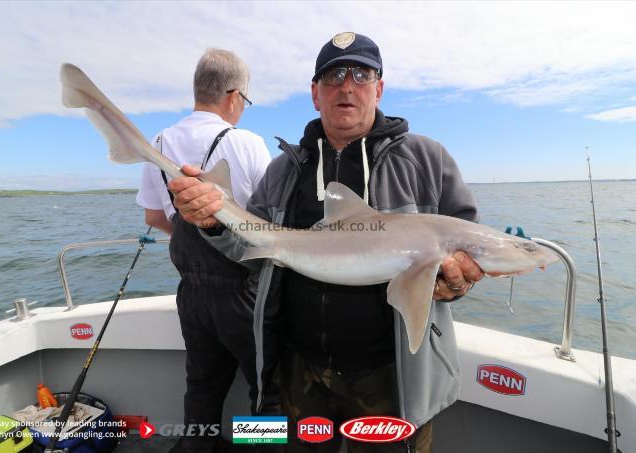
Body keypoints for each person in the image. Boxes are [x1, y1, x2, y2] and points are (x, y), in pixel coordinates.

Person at [170, 33, 484, 453]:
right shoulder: (285, 169)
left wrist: (457, 283)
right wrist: (213, 224)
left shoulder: (427, 160)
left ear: (379, 87)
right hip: (300, 370)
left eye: (361, 73)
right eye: (334, 75)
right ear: (316, 94)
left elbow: (467, 246)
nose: (347, 85)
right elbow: (249, 255)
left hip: (393, 373)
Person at [136, 48, 273, 452]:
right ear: (233, 97)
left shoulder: (158, 143)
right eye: (244, 102)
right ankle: (259, 445)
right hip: (243, 291)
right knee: (266, 388)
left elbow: (154, 217)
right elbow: (269, 222)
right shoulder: (245, 143)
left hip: (191, 295)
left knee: (202, 388)